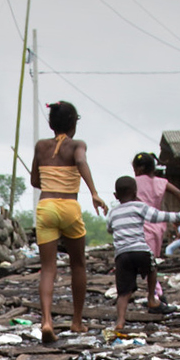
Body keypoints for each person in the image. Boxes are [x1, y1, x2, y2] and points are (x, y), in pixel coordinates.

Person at [30, 101, 107, 343]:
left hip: (46, 207)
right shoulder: (77, 145)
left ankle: (46, 321)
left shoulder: (41, 146)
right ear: (74, 124)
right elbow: (81, 161)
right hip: (69, 207)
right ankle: (76, 321)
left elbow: (35, 180)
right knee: (78, 265)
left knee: (48, 268)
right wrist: (93, 192)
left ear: (51, 124)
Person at [106, 176, 180, 330]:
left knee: (123, 292)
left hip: (122, 255)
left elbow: (109, 229)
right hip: (140, 250)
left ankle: (120, 321)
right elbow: (159, 216)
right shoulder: (140, 206)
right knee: (152, 268)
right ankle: (151, 297)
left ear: (115, 196)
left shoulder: (113, 213)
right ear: (136, 192)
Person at [131, 152, 180, 309]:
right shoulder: (161, 182)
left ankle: (156, 295)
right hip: (158, 225)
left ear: (138, 169)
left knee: (143, 263)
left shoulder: (134, 183)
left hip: (140, 225)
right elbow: (179, 193)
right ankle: (156, 294)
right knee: (150, 262)